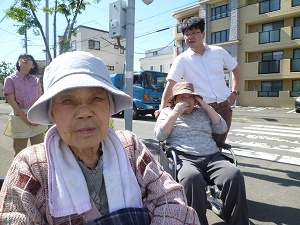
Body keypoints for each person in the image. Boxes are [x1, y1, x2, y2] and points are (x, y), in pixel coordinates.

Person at [0, 51, 200, 225]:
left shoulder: (131, 148)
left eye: (97, 98)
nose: (84, 112)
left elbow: (173, 200)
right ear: (52, 113)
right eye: (67, 100)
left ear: (110, 107)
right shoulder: (31, 166)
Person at [154, 81, 249, 225]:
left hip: (211, 156)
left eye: (190, 97)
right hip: (183, 157)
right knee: (192, 178)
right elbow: (160, 136)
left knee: (234, 175)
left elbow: (221, 128)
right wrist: (175, 113)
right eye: (182, 97)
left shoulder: (203, 112)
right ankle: (197, 222)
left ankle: (238, 222)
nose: (186, 101)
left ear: (195, 99)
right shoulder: (167, 112)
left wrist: (206, 106)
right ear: (174, 100)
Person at [155, 17, 241, 144]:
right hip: (201, 111)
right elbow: (170, 85)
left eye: (194, 33)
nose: (190, 37)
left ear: (203, 34)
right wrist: (162, 110)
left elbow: (236, 70)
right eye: (187, 34)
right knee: (202, 147)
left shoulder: (219, 52)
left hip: (224, 108)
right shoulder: (182, 59)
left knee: (219, 147)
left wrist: (234, 92)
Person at [3, 53, 48, 156]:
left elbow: (39, 99)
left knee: (39, 152)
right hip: (19, 116)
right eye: (22, 58)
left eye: (29, 59)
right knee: (20, 152)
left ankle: (38, 172)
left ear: (32, 65)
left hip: (35, 115)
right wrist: (24, 118)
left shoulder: (35, 80)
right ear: (18, 63)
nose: (25, 59)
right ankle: (19, 172)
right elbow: (12, 101)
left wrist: (39, 116)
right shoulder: (10, 79)